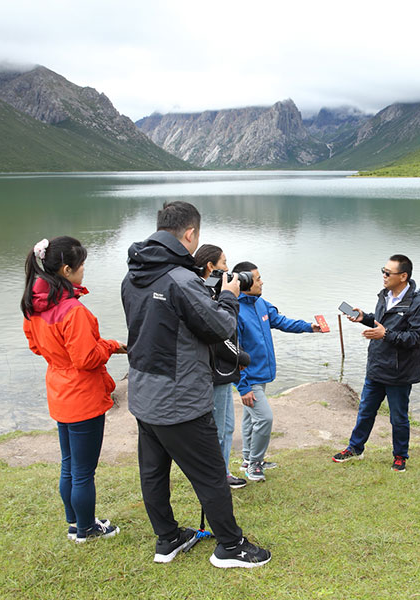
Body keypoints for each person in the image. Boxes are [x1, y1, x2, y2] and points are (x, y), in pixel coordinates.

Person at [121, 201, 270, 568]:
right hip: (180, 398)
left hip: (144, 392)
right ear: (190, 234)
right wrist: (229, 296)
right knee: (210, 475)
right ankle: (230, 547)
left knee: (153, 473)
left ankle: (168, 539)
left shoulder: (134, 275)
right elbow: (221, 327)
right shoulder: (181, 280)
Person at [21, 236, 125, 543]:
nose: (84, 271)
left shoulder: (34, 305)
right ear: (66, 270)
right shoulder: (73, 310)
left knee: (69, 465)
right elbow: (86, 359)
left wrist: (63, 355)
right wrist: (110, 345)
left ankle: (75, 522)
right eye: (82, 266)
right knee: (83, 472)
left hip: (59, 392)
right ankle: (87, 530)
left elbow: (36, 347)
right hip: (83, 397)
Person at [332, 254, 420, 472]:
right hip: (377, 365)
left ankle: (400, 456)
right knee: (365, 411)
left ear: (403, 276)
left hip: (399, 371)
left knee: (398, 418)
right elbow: (380, 323)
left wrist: (385, 335)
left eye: (388, 273)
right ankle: (355, 448)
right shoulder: (385, 294)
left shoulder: (417, 303)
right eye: (383, 271)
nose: (384, 276)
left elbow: (415, 338)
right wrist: (364, 318)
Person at [231, 261, 322, 482]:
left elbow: (281, 321)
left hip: (261, 375)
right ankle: (255, 464)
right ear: (245, 282)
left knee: (250, 418)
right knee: (264, 418)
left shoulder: (261, 303)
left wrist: (309, 327)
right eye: (258, 279)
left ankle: (247, 459)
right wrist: (243, 387)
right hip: (249, 378)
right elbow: (233, 353)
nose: (262, 282)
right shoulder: (235, 311)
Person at [192, 244, 250, 490]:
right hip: (216, 373)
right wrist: (241, 358)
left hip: (220, 371)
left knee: (225, 427)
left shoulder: (206, 292)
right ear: (211, 266)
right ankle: (218, 476)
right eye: (224, 263)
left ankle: (221, 472)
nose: (228, 269)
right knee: (219, 428)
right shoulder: (205, 295)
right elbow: (220, 335)